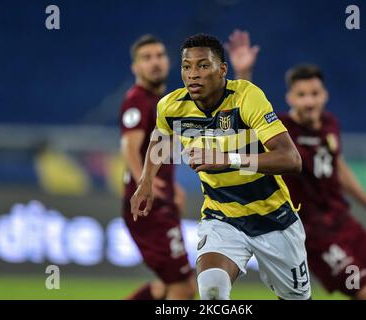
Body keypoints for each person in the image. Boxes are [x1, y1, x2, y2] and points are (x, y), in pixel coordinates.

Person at [225, 30, 366, 299]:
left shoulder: (331, 125)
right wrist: (244, 75)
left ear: (325, 95)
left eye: (314, 93)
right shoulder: (283, 129)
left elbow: (339, 169)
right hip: (314, 234)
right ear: (290, 99)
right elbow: (246, 120)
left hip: (345, 222)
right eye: (301, 95)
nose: (309, 101)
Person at [131, 33, 312, 300]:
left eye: (203, 65)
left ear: (222, 69)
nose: (193, 74)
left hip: (274, 219)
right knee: (213, 290)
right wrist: (145, 181)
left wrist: (227, 160)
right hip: (222, 217)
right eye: (186, 66)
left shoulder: (247, 97)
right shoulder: (171, 107)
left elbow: (291, 160)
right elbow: (160, 138)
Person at [119, 34, 196, 300]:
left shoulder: (161, 103)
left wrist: (172, 186)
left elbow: (157, 156)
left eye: (159, 56)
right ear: (135, 68)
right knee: (183, 289)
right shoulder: (137, 100)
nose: (155, 62)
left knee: (167, 286)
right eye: (146, 58)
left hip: (160, 203)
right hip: (148, 207)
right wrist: (146, 184)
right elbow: (129, 147)